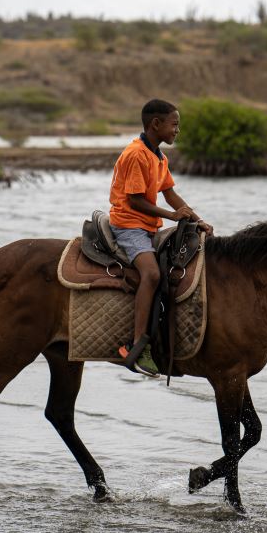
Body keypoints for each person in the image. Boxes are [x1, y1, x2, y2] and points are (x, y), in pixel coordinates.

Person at [109, 98, 213, 377]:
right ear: (156, 124)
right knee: (152, 275)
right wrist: (171, 216)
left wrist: (195, 218)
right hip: (129, 225)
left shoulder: (159, 156)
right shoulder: (136, 154)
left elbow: (170, 193)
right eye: (174, 124)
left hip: (150, 225)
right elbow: (134, 201)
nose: (178, 130)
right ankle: (137, 345)